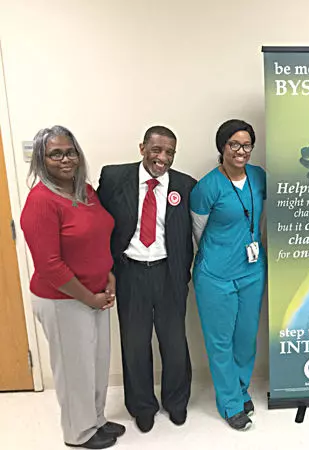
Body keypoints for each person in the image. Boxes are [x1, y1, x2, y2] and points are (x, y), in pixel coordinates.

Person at [20, 126, 125, 449]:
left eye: (70, 152)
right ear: (41, 159)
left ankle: (96, 420)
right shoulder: (41, 201)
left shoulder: (86, 192)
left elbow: (97, 237)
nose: (65, 159)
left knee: (96, 363)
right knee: (74, 369)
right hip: (63, 299)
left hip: (96, 294)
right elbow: (49, 265)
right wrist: (88, 297)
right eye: (55, 154)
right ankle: (78, 433)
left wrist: (108, 275)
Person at [97, 126, 196, 433]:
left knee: (175, 342)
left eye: (169, 153)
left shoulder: (185, 185)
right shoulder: (114, 178)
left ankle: (176, 401)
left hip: (169, 274)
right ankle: (142, 406)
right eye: (156, 150)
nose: (162, 158)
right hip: (130, 273)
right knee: (135, 344)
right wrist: (104, 269)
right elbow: (98, 224)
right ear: (142, 148)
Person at [190, 119, 266, 431]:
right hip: (215, 276)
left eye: (247, 145)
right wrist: (221, 255)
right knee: (220, 342)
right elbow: (197, 232)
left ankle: (240, 388)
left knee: (246, 339)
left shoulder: (259, 177)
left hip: (252, 272)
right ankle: (230, 403)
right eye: (234, 144)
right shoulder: (207, 187)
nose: (241, 151)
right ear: (222, 147)